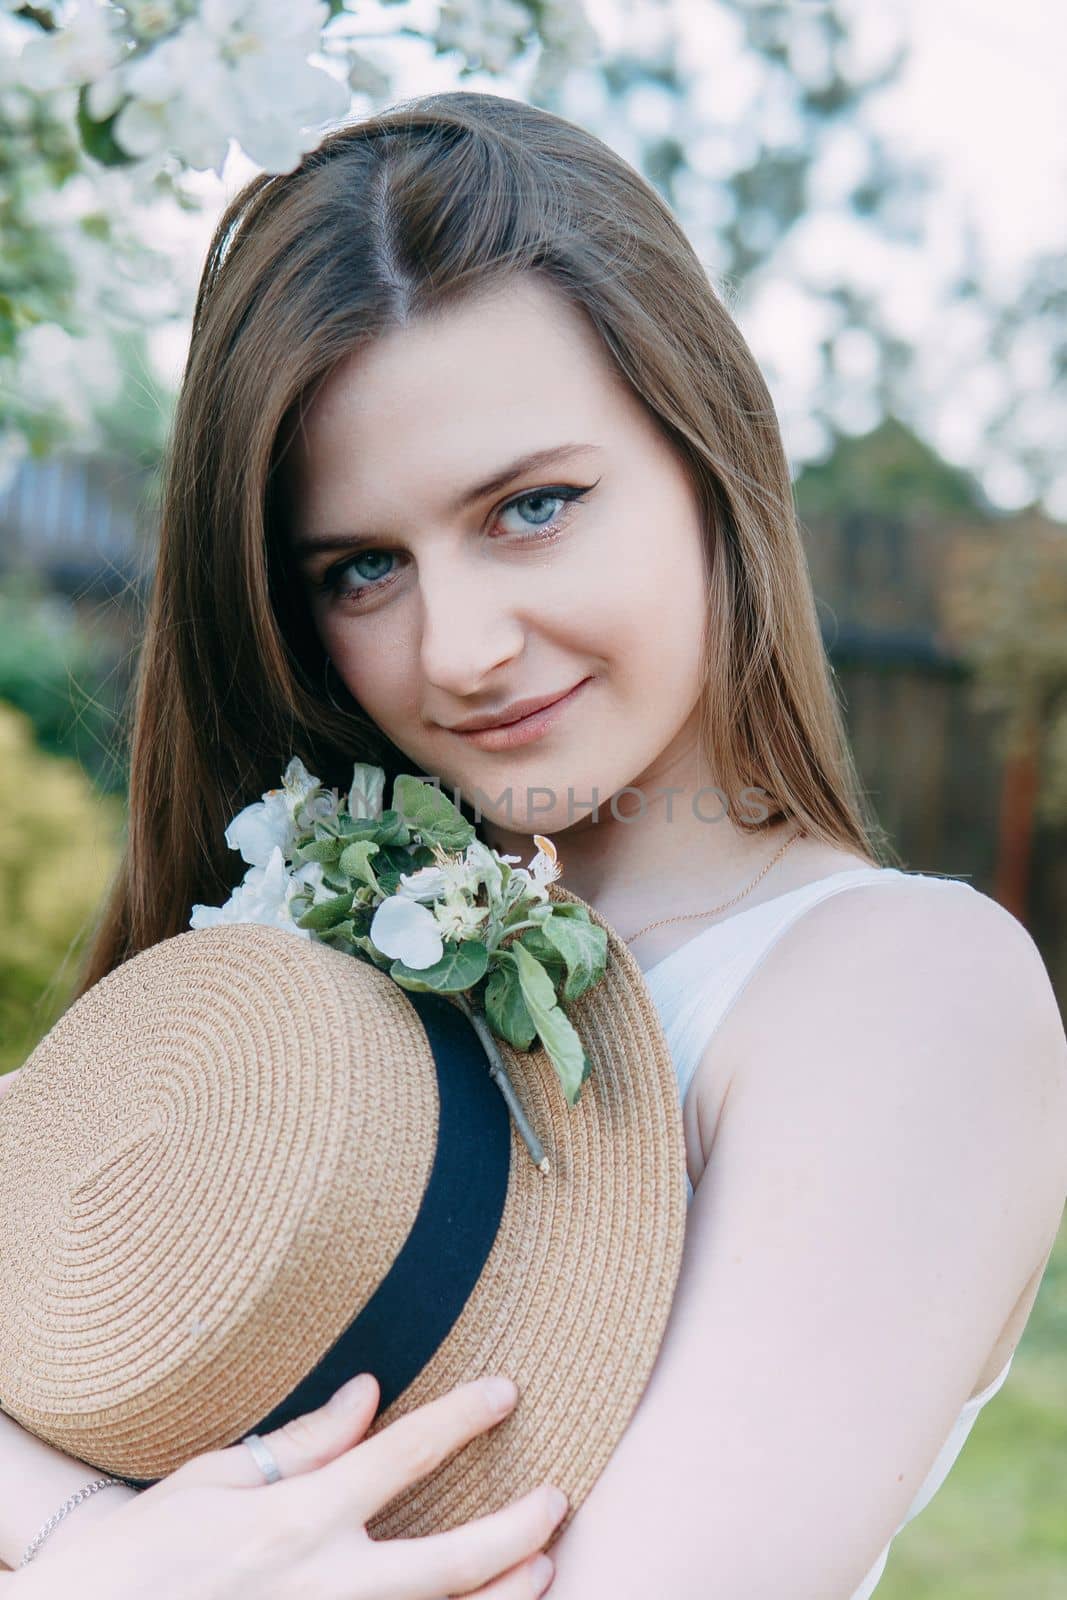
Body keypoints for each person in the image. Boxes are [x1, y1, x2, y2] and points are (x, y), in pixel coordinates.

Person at [1, 88, 1064, 1597]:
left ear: (711, 452)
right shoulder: (310, 955)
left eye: (533, 507)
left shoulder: (902, 995)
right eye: (364, 567)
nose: (462, 649)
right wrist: (92, 1551)